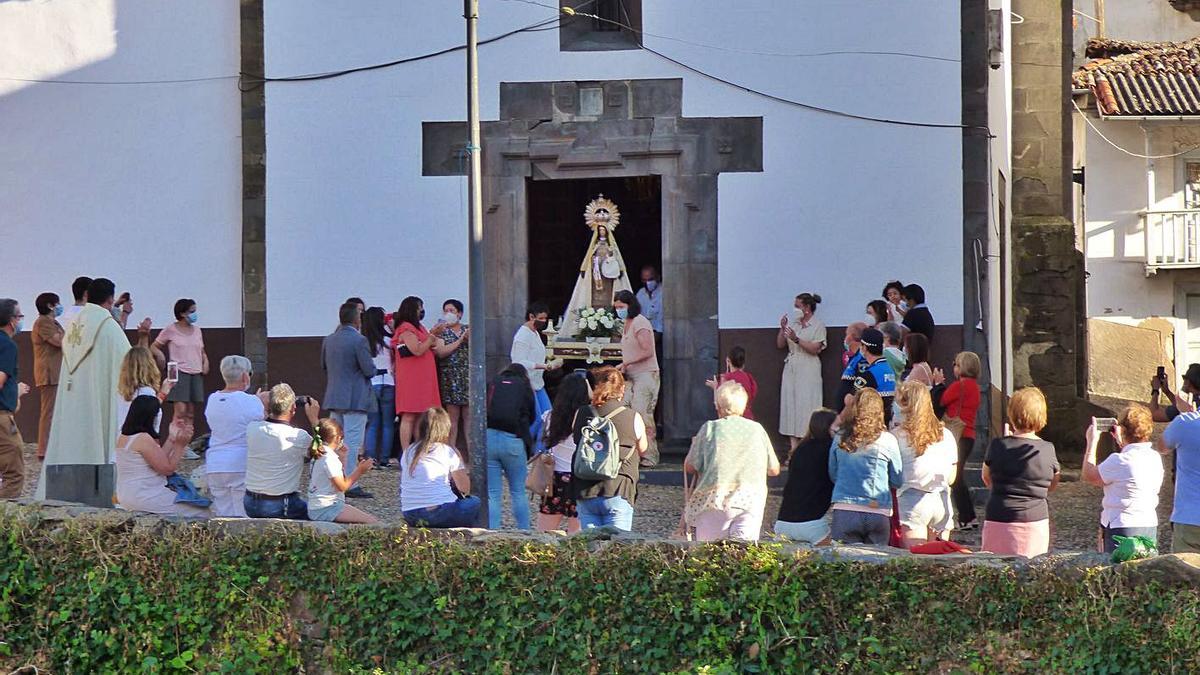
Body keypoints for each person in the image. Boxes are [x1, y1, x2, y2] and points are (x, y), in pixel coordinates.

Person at [39, 278, 132, 501]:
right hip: (99, 395)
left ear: (88, 296)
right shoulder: (108, 326)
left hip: (73, 396)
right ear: (110, 300)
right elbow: (130, 364)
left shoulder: (72, 323)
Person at [684, 381, 780, 542]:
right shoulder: (757, 429)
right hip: (751, 500)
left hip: (715, 500)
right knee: (742, 558)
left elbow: (690, 466)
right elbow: (774, 469)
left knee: (709, 557)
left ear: (718, 406)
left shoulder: (710, 428)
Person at [981, 387, 1060, 558]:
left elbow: (986, 477)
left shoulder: (997, 445)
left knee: (995, 572)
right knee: (1031, 574)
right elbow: (1053, 484)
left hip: (999, 514)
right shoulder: (1048, 449)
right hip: (1034, 518)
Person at [571, 366, 647, 531]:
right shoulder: (633, 417)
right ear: (622, 389)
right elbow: (643, 449)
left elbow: (577, 440)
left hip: (586, 487)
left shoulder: (582, 413)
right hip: (619, 487)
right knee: (617, 550)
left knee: (591, 551)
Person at [1082, 406, 1163, 553]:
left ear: (1123, 430)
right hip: (1148, 523)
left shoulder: (1119, 460)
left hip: (1122, 525)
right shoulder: (1154, 457)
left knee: (1119, 572)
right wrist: (1122, 443)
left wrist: (1092, 442)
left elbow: (1089, 475)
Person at [827, 388, 902, 545]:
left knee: (842, 563)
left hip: (845, 507)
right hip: (877, 508)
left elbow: (833, 473)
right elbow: (897, 480)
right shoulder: (888, 440)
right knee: (876, 564)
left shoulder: (840, 437)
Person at [114, 396, 210, 517]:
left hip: (128, 495)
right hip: (146, 495)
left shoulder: (123, 437)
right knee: (204, 513)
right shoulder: (143, 438)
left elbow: (157, 460)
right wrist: (180, 445)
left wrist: (171, 437)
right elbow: (167, 469)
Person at [321, 302, 376, 499]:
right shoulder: (359, 340)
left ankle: (333, 477)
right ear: (356, 319)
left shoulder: (329, 340)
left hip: (334, 394)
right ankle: (351, 483)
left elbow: (324, 366)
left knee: (333, 441)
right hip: (355, 397)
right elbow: (368, 369)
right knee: (352, 442)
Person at [893, 382, 958, 548]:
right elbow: (951, 477)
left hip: (911, 500)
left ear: (905, 406)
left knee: (913, 564)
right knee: (940, 565)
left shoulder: (896, 437)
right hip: (941, 500)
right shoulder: (947, 435)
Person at [243, 385, 321, 519]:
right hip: (281, 504)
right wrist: (314, 420)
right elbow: (321, 450)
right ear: (293, 408)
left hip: (249, 502)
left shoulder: (252, 428)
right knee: (320, 513)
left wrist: (258, 400)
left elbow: (265, 418)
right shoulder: (299, 437)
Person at [203, 355, 266, 518]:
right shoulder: (251, 401)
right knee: (244, 515)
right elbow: (261, 422)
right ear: (245, 376)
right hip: (240, 462)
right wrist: (258, 401)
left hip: (215, 463)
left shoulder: (212, 399)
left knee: (223, 515)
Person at [400, 407, 480, 528]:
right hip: (437, 512)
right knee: (474, 502)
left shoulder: (408, 451)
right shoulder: (446, 451)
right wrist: (460, 461)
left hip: (409, 513)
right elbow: (464, 489)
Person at [536, 372, 590, 533]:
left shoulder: (549, 417)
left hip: (555, 478)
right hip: (580, 477)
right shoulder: (588, 418)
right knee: (577, 536)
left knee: (544, 534)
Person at [774, 409, 837, 544]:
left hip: (783, 521)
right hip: (813, 522)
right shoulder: (831, 449)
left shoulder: (800, 449)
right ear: (828, 427)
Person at [486, 363, 536, 529]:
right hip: (513, 441)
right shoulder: (524, 387)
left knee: (493, 493)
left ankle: (492, 531)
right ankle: (524, 531)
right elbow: (532, 415)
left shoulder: (493, 382)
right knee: (518, 491)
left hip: (490, 437)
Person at [613, 290, 660, 467]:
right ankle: (633, 452)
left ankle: (649, 454)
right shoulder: (627, 323)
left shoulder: (640, 323)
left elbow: (647, 350)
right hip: (632, 374)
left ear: (630, 306)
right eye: (616, 307)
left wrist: (626, 363)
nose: (619, 310)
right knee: (628, 411)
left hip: (646, 374)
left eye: (621, 307)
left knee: (643, 413)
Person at [936, 351, 983, 530]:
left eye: (956, 364)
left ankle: (966, 515)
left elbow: (943, 400)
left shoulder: (960, 386)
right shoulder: (975, 387)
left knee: (955, 477)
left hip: (957, 434)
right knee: (959, 476)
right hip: (968, 434)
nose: (953, 368)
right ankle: (968, 515)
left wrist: (939, 384)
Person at [778, 293, 827, 456]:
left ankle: (806, 444)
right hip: (792, 365)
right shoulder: (794, 324)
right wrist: (782, 328)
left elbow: (815, 349)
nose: (795, 309)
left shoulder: (818, 325)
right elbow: (780, 344)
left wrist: (797, 339)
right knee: (790, 403)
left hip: (808, 366)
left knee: (807, 403)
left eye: (798, 306)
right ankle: (793, 447)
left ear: (806, 308)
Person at [151, 298, 207, 437]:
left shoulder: (197, 330)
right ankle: (175, 438)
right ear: (182, 313)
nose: (194, 314)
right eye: (191, 312)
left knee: (190, 411)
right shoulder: (171, 329)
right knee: (180, 410)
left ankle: (185, 441)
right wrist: (161, 357)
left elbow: (202, 351)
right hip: (177, 371)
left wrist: (205, 363)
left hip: (195, 372)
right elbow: (154, 346)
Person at [393, 296, 442, 450]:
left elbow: (429, 344)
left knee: (421, 415)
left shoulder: (420, 327)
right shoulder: (406, 328)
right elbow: (417, 349)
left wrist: (432, 336)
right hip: (412, 379)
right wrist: (432, 337)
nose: (422, 310)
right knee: (409, 415)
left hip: (423, 379)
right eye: (419, 307)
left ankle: (419, 449)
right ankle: (407, 452)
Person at [307, 418, 377, 523]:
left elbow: (338, 480)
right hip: (327, 507)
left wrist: (343, 458)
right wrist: (360, 471)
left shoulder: (319, 454)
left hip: (317, 506)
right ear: (337, 438)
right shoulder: (329, 458)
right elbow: (342, 487)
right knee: (372, 522)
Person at [509, 301, 559, 445]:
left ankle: (541, 450)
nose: (543, 321)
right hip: (527, 383)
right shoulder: (522, 336)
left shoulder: (535, 333)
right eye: (541, 318)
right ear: (531, 316)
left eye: (545, 318)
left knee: (548, 416)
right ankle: (523, 447)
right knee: (537, 418)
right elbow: (518, 361)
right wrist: (543, 366)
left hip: (538, 383)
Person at [1158, 401, 1200, 553]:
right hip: (1188, 517)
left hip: (1189, 517)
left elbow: (1162, 447)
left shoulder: (1184, 423)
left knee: (1184, 574)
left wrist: (1184, 414)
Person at [0, 300, 31, 498]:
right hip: (2, 419)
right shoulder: (7, 345)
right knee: (14, 473)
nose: (20, 321)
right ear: (12, 321)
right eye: (19, 317)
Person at [31, 292, 65, 460]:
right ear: (50, 305)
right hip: (49, 373)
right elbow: (59, 341)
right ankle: (43, 449)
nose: (60, 306)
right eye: (57, 303)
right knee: (49, 412)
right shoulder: (43, 322)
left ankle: (52, 446)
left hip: (56, 372)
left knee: (54, 411)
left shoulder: (53, 322)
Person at [434, 299, 470, 453]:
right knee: (452, 420)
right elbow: (441, 352)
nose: (448, 314)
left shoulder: (469, 329)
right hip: (450, 378)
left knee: (469, 421)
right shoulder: (441, 332)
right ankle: (450, 456)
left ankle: (473, 457)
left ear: (460, 314)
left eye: (452, 311)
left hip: (467, 377)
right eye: (446, 311)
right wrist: (461, 340)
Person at [362, 307, 396, 468]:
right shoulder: (389, 341)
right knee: (388, 423)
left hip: (372, 383)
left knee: (372, 423)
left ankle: (370, 458)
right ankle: (385, 458)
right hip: (389, 381)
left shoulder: (363, 341)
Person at [116, 348, 167, 447]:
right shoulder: (146, 391)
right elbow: (149, 414)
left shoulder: (121, 392)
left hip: (122, 446)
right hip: (142, 448)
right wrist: (163, 392)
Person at [852, 328, 897, 426]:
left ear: (864, 348)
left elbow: (854, 402)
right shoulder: (889, 370)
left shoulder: (868, 375)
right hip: (887, 424)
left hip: (871, 426)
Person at [706, 345, 758, 420]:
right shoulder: (749, 378)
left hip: (729, 419)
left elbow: (718, 404)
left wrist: (715, 388)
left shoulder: (724, 378)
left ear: (728, 361)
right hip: (747, 418)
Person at [833, 322, 868, 412]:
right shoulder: (855, 357)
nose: (845, 338)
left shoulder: (862, 358)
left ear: (851, 336)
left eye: (846, 334)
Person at [636, 265, 664, 371]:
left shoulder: (664, 293)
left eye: (651, 279)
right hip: (642, 337)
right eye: (645, 280)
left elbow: (662, 320)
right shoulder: (640, 294)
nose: (648, 283)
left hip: (658, 337)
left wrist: (655, 338)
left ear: (657, 277)